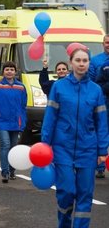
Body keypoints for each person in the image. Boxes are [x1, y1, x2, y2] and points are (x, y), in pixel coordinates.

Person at [42, 48, 108, 228]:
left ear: (89, 63)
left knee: (85, 195)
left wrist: (103, 149)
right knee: (66, 192)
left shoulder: (95, 91)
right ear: (71, 62)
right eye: (78, 60)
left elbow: (101, 122)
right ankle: (63, 223)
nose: (81, 64)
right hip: (62, 147)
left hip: (88, 148)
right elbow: (50, 117)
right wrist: (45, 144)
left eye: (85, 60)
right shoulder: (59, 87)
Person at [88, 34, 109, 179]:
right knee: (101, 131)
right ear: (103, 44)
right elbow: (92, 82)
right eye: (107, 42)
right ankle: (100, 165)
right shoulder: (96, 60)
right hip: (102, 102)